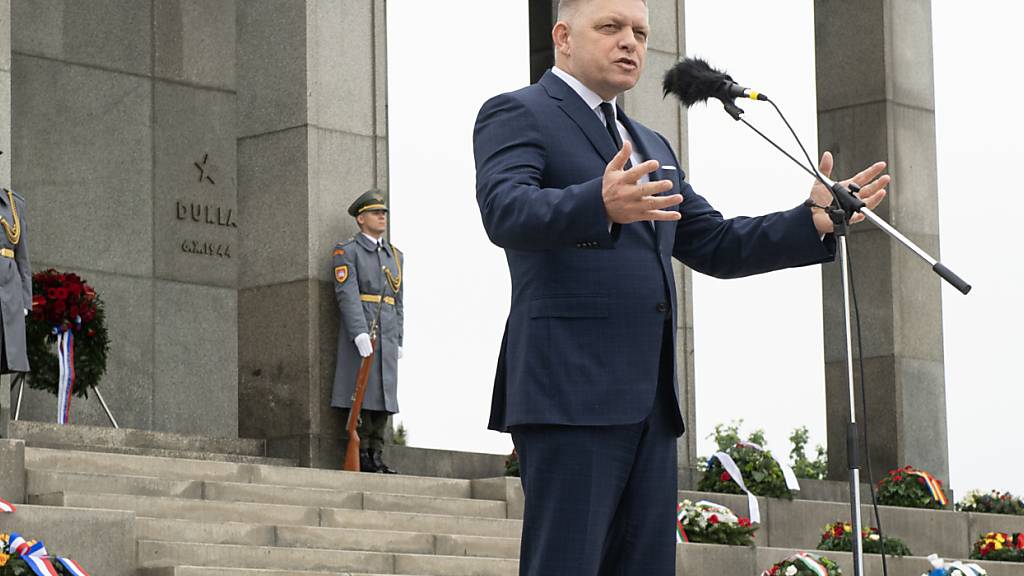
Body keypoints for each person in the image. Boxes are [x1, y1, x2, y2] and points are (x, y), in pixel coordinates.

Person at [472, 0, 888, 573]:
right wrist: (597, 201)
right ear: (564, 36)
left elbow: (714, 243)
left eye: (640, 32)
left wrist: (810, 220)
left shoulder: (651, 145)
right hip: (569, 393)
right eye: (611, 27)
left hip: (649, 405)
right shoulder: (518, 112)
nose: (630, 43)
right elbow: (505, 209)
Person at [331, 189, 404, 474]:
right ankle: (361, 454)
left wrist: (399, 337)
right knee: (363, 393)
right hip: (365, 330)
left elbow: (398, 301)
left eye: (384, 212)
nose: (382, 217)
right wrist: (359, 332)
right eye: (376, 213)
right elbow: (347, 294)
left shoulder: (394, 256)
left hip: (387, 332)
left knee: (385, 396)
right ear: (361, 219)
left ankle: (377, 453)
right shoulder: (347, 251)